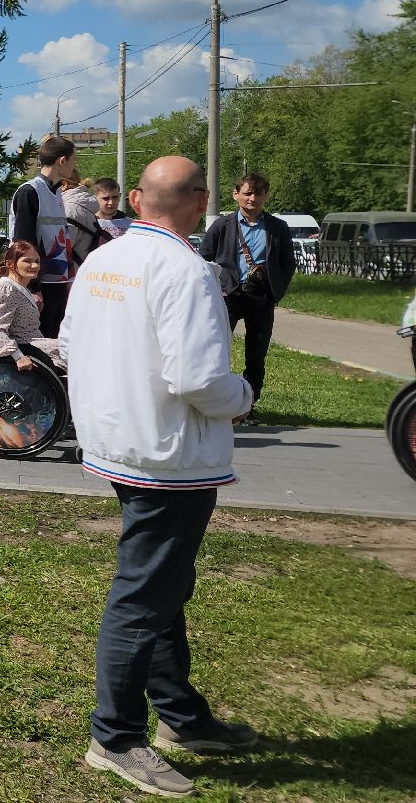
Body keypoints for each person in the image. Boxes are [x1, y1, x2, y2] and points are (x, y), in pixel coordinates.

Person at [62, 155, 258, 798]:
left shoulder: (103, 259)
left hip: (121, 443)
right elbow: (199, 379)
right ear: (199, 201)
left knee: (163, 586)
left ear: (139, 200)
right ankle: (115, 737)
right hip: (168, 455)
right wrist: (243, 394)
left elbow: (73, 342)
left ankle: (181, 715)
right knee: (145, 594)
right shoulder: (186, 269)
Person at [199, 172, 295, 424]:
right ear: (236, 195)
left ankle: (247, 407)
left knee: (256, 355)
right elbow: (203, 258)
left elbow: (288, 263)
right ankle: (216, 403)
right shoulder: (223, 225)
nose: (253, 198)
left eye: (258, 193)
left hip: (261, 298)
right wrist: (217, 288)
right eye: (247, 193)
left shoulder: (277, 227)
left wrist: (276, 290)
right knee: (217, 351)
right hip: (228, 296)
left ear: (266, 196)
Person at [8, 134, 79, 337]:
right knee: (39, 341)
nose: (74, 167)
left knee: (57, 340)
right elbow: (23, 244)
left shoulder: (57, 192)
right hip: (40, 285)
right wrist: (33, 288)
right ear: (62, 160)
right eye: (73, 161)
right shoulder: (30, 192)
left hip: (58, 282)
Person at [0, 240, 65, 372]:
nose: (35, 265)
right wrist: (18, 356)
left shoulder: (20, 288)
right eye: (27, 261)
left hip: (35, 345)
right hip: (26, 348)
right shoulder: (5, 290)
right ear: (10, 264)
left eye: (37, 261)